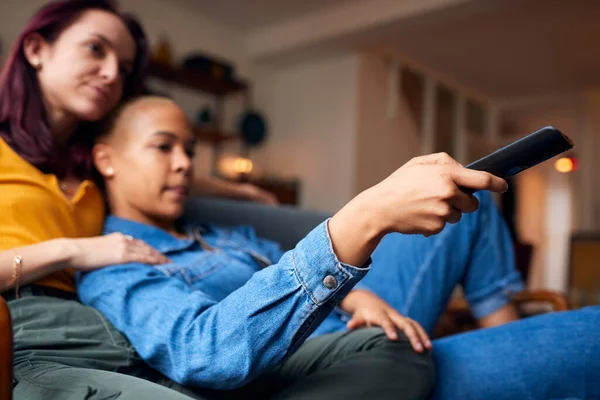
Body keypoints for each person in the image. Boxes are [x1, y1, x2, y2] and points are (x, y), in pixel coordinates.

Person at [79, 96, 600, 400]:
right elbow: (201, 352)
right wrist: (362, 218)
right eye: (163, 147)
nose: (184, 163)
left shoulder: (212, 232)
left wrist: (355, 298)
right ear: (106, 159)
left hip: (360, 325)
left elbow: (282, 265)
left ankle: (509, 342)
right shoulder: (112, 260)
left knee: (462, 190)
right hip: (342, 369)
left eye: (190, 150)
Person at [0, 1, 270, 399]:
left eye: (124, 68)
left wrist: (244, 191)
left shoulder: (94, 166)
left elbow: (173, 169)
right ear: (36, 49)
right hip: (27, 327)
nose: (111, 74)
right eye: (96, 49)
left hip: (114, 329)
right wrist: (74, 251)